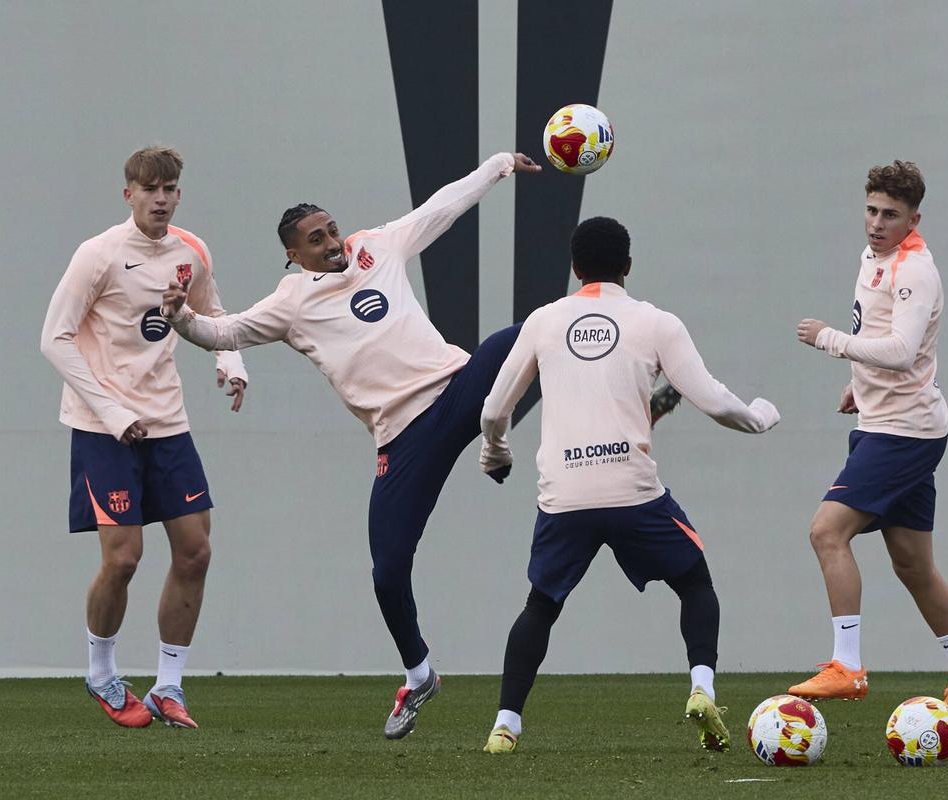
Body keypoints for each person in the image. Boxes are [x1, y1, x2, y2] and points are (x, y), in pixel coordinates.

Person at [160, 151, 542, 738]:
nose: (333, 242)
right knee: (388, 571)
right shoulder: (290, 303)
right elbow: (225, 330)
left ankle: (499, 436)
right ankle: (419, 677)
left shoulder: (375, 246)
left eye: (332, 229)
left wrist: (498, 166)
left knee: (528, 334)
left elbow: (441, 208)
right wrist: (182, 317)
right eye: (316, 239)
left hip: (455, 389)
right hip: (403, 438)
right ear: (294, 254)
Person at [477, 216, 780, 754]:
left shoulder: (544, 322)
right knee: (695, 584)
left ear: (574, 268)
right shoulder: (656, 322)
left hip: (564, 495)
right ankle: (702, 690)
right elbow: (712, 400)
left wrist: (495, 453)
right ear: (628, 266)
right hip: (633, 493)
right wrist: (760, 416)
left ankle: (505, 724)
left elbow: (495, 409)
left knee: (541, 606)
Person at [40, 145, 248, 729]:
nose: (160, 198)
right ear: (128, 193)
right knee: (125, 559)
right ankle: (102, 673)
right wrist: (109, 411)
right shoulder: (98, 255)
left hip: (166, 422)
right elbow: (54, 338)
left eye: (170, 188)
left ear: (179, 193)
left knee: (196, 550)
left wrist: (232, 366)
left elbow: (214, 317)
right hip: (104, 428)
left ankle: (169, 686)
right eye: (149, 189)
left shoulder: (191, 251)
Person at [790, 160, 948, 717]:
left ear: (914, 218)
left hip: (903, 434)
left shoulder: (914, 270)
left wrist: (830, 341)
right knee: (912, 564)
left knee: (826, 531)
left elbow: (903, 349)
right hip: (886, 422)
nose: (877, 222)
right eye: (871, 210)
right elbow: (881, 341)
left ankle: (848, 666)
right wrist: (859, 384)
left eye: (890, 214)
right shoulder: (874, 257)